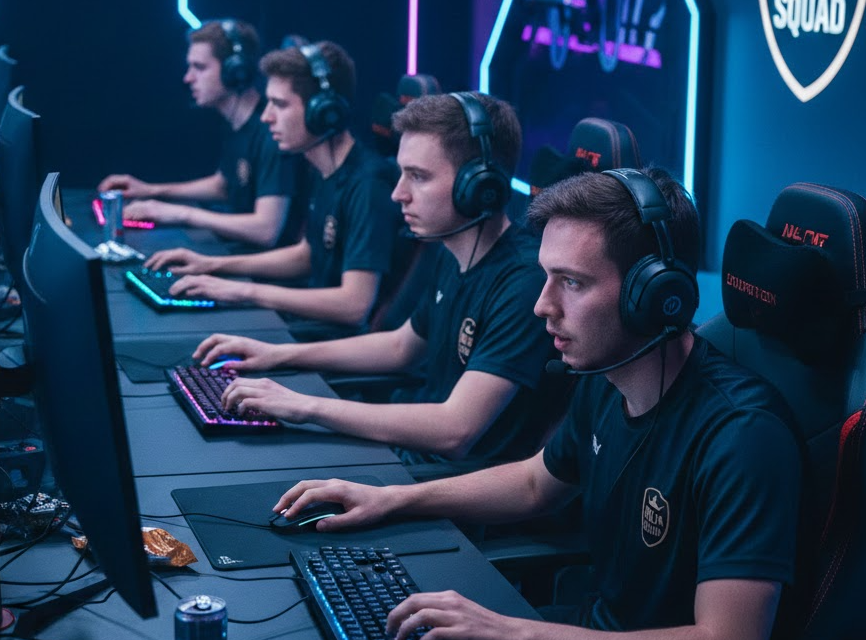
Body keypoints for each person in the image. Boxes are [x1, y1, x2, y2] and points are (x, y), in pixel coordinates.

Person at [268, 167, 805, 640]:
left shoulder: (743, 435)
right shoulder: (606, 375)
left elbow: (728, 635)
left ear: (652, 295)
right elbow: (534, 484)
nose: (542, 305)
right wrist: (392, 499)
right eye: (547, 276)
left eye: (571, 282)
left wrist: (513, 631)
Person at [193, 92, 570, 470]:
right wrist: (276, 354)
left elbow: (455, 430)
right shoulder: (453, 250)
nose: (398, 193)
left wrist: (304, 406)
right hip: (407, 452)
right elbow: (400, 347)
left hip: (444, 483)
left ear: (478, 185)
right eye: (402, 173)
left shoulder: (523, 283)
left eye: (418, 177)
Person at [145, 40, 402, 339]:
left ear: (323, 111)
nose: (266, 116)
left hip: (335, 343)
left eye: (279, 105)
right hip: (308, 325)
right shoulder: (324, 169)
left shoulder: (368, 185)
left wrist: (244, 291)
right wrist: (212, 265)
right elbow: (307, 255)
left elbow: (353, 305)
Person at [97, 19, 306, 248]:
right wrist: (150, 190)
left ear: (234, 71)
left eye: (200, 67)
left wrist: (179, 213)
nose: (188, 78)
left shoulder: (272, 133)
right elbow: (224, 185)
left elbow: (266, 230)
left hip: (267, 262)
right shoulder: (236, 123)